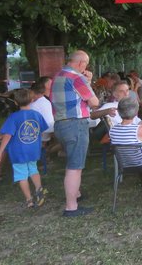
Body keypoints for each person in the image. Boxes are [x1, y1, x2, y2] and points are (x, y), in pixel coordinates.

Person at [50, 50, 99, 217]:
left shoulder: (58, 76)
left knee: (72, 162)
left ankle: (76, 193)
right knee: (75, 167)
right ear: (81, 64)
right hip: (75, 124)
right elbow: (94, 102)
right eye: (86, 64)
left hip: (60, 125)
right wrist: (89, 81)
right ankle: (71, 207)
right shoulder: (76, 77)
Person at [0, 88, 49, 208]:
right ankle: (39, 189)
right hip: (33, 150)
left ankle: (29, 200)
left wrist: (0, 152)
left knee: (21, 175)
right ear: (31, 100)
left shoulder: (13, 117)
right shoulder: (37, 114)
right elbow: (41, 129)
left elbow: (7, 136)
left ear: (15, 102)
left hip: (18, 152)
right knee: (33, 169)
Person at [30, 77, 54, 142]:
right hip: (47, 129)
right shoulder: (43, 100)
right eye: (50, 83)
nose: (53, 85)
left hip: (47, 129)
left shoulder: (50, 99)